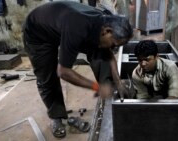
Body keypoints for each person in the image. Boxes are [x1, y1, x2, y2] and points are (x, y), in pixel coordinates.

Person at [22, 1, 133, 138]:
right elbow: (63, 71)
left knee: (101, 53)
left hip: (61, 24)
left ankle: (108, 95)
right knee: (47, 76)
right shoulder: (76, 26)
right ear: (107, 31)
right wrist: (96, 87)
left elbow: (108, 55)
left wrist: (118, 82)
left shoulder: (103, 20)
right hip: (38, 34)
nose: (114, 48)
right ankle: (56, 116)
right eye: (114, 44)